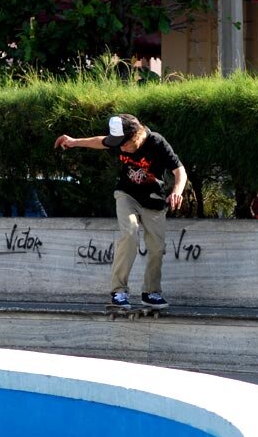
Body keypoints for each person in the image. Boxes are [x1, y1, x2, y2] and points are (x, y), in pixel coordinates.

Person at [54, 113, 186, 309]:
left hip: (154, 199)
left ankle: (151, 293)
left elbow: (179, 171)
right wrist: (74, 142)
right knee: (130, 233)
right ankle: (119, 291)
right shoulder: (118, 139)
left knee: (157, 247)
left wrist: (176, 191)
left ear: (136, 136)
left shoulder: (156, 142)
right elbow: (100, 141)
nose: (121, 148)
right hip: (127, 194)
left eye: (124, 144)